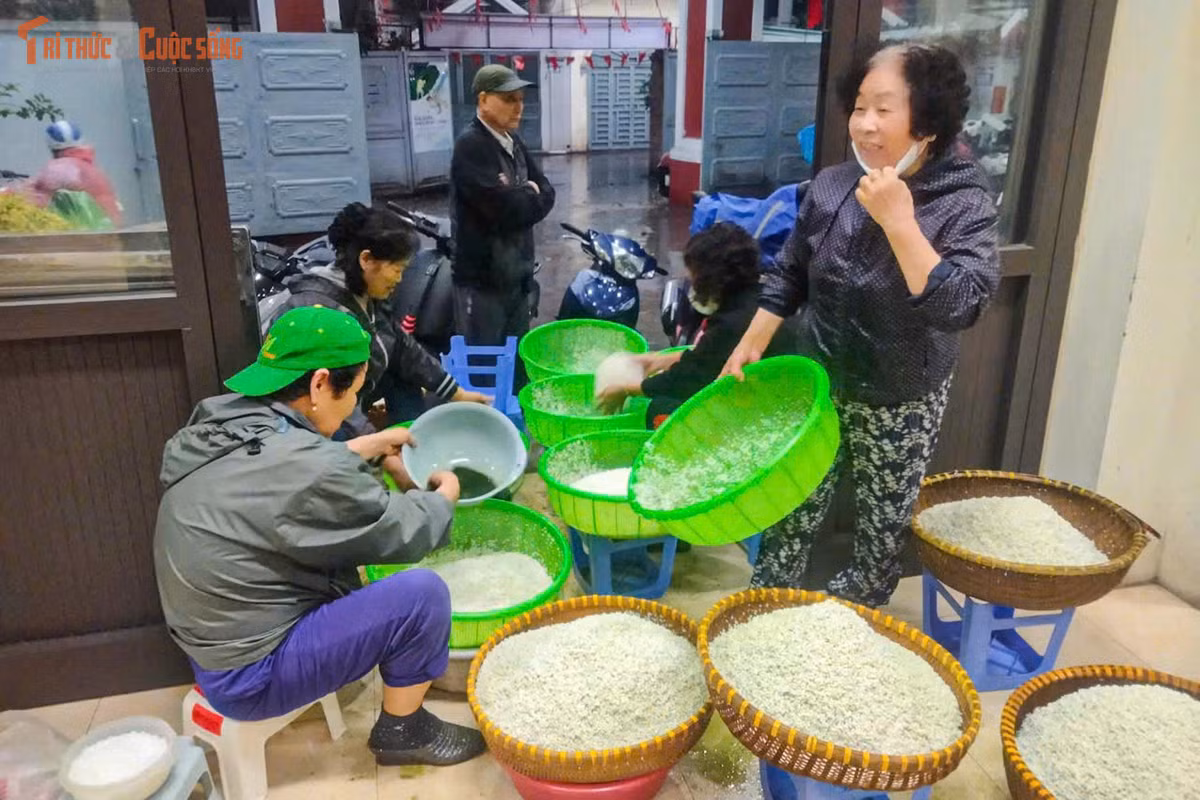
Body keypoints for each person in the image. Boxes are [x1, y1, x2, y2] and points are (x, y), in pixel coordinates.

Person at [722, 43, 1001, 606]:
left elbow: (963, 306)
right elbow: (791, 271)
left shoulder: (962, 199)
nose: (866, 125)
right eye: (859, 107)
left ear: (927, 121)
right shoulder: (831, 184)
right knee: (792, 503)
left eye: (884, 109)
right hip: (820, 381)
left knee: (882, 523)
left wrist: (900, 221)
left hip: (902, 392)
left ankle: (857, 619)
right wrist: (751, 343)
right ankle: (766, 607)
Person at [154, 306, 487, 767]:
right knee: (422, 595)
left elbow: (275, 474)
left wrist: (357, 448)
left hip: (212, 645)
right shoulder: (309, 466)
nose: (355, 405)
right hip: (251, 675)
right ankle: (403, 733)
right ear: (319, 384)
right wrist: (444, 497)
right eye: (354, 391)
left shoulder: (223, 423)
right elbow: (403, 528)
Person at [266, 202, 488, 434]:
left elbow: (402, 347)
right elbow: (332, 402)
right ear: (367, 260)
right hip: (312, 424)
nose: (400, 279)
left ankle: (416, 438)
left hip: (352, 396)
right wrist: (378, 449)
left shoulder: (365, 294)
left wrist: (457, 393)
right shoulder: (321, 314)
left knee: (403, 374)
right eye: (397, 269)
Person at [596, 223, 787, 427]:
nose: (690, 280)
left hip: (765, 414)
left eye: (693, 274)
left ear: (710, 277)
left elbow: (688, 379)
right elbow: (706, 355)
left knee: (662, 408)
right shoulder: (762, 300)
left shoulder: (732, 322)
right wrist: (650, 361)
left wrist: (625, 389)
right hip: (774, 394)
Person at [450, 64, 555, 372]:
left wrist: (526, 194)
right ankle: (483, 421)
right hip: (482, 285)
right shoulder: (472, 146)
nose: (518, 107)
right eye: (509, 99)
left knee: (515, 365)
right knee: (483, 369)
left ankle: (513, 421)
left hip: (517, 280)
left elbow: (547, 192)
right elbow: (505, 211)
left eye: (521, 99)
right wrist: (528, 194)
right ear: (483, 100)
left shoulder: (513, 142)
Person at [19, 120, 122, 226]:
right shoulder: (88, 167)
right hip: (111, 229)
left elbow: (35, 201)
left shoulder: (61, 167)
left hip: (90, 234)